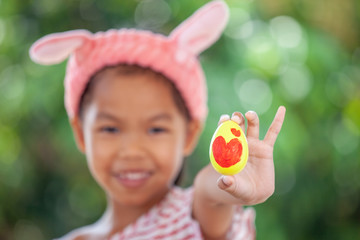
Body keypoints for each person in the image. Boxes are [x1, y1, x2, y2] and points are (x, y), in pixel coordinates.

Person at [29, 1, 286, 239]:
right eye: (110, 128)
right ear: (80, 133)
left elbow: (209, 193)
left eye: (155, 129)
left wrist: (231, 177)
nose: (131, 150)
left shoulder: (193, 216)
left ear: (189, 134)